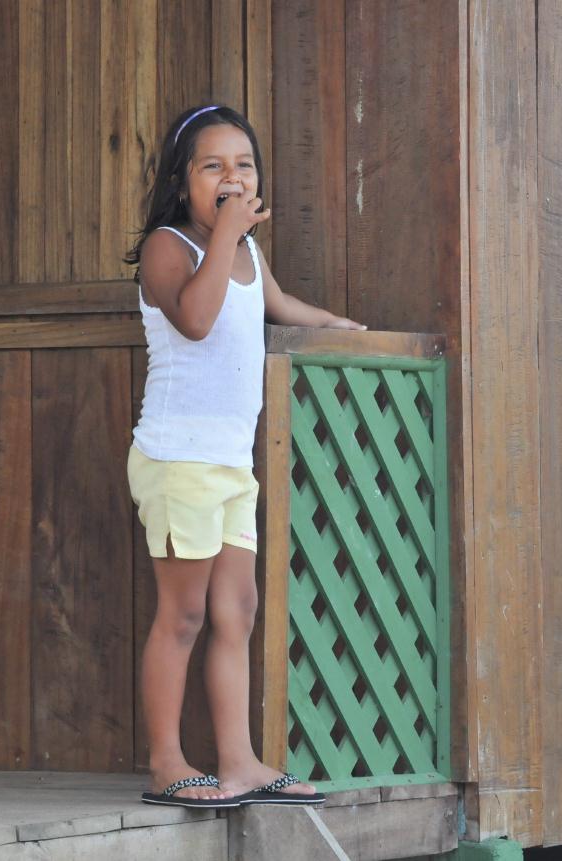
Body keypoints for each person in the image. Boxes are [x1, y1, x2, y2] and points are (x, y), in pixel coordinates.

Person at [125, 105, 363, 808]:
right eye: (212, 165)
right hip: (178, 458)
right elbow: (196, 321)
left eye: (244, 165)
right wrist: (226, 234)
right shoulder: (170, 248)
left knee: (238, 608)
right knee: (185, 614)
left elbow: (278, 304)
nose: (232, 177)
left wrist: (333, 324)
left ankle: (239, 761)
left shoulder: (248, 254)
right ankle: (167, 761)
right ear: (181, 181)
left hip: (229, 463)